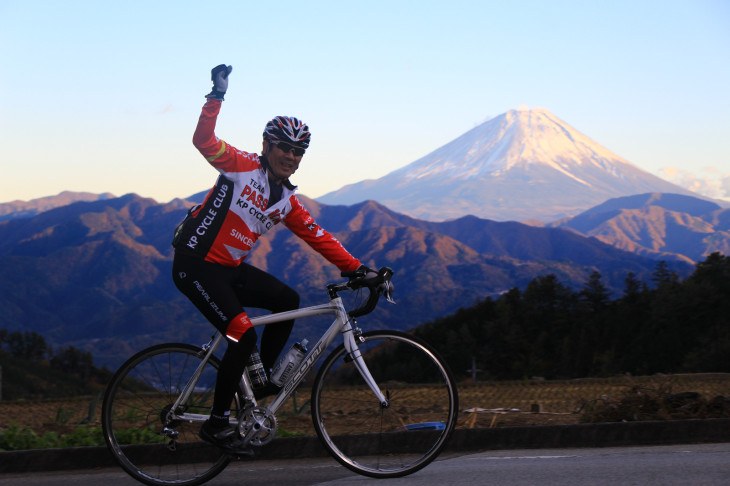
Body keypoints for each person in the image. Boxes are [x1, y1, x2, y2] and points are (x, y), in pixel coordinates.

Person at [172, 64, 371, 454]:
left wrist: (359, 270)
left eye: (299, 151)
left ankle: (259, 381)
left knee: (288, 301)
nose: (291, 156)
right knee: (242, 334)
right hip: (194, 264)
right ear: (267, 145)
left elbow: (319, 237)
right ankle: (215, 425)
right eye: (284, 147)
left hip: (228, 270)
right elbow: (203, 140)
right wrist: (217, 96)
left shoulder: (286, 201)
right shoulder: (240, 165)